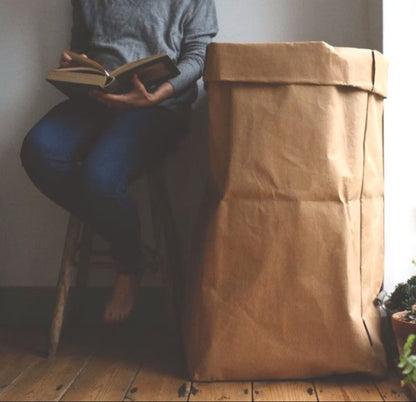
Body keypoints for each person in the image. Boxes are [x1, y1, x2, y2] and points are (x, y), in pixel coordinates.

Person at [20, 0, 218, 323]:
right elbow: (83, 46)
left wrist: (159, 93)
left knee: (99, 179)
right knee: (38, 151)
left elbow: (198, 57)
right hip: (98, 99)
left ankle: (128, 264)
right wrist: (76, 68)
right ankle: (126, 239)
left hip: (156, 106)